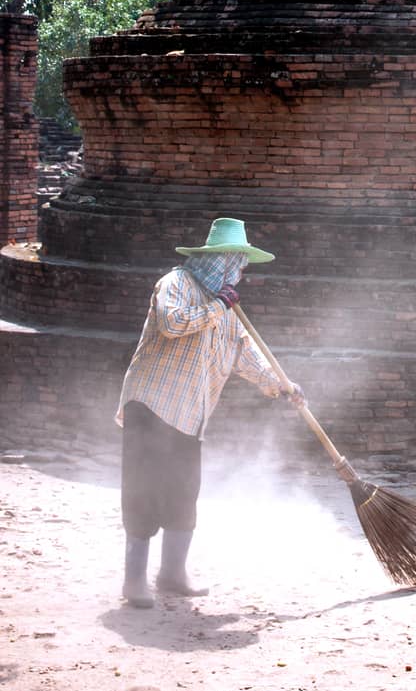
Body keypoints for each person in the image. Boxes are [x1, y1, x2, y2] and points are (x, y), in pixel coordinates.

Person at [116, 215, 306, 608]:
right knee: (143, 490)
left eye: (241, 265)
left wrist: (282, 386)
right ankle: (134, 580)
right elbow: (172, 324)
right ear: (216, 260)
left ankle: (172, 574)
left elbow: (246, 357)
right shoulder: (177, 285)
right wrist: (218, 304)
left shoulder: (229, 314)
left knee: (184, 493)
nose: (239, 272)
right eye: (235, 263)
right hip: (151, 406)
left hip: (189, 414)